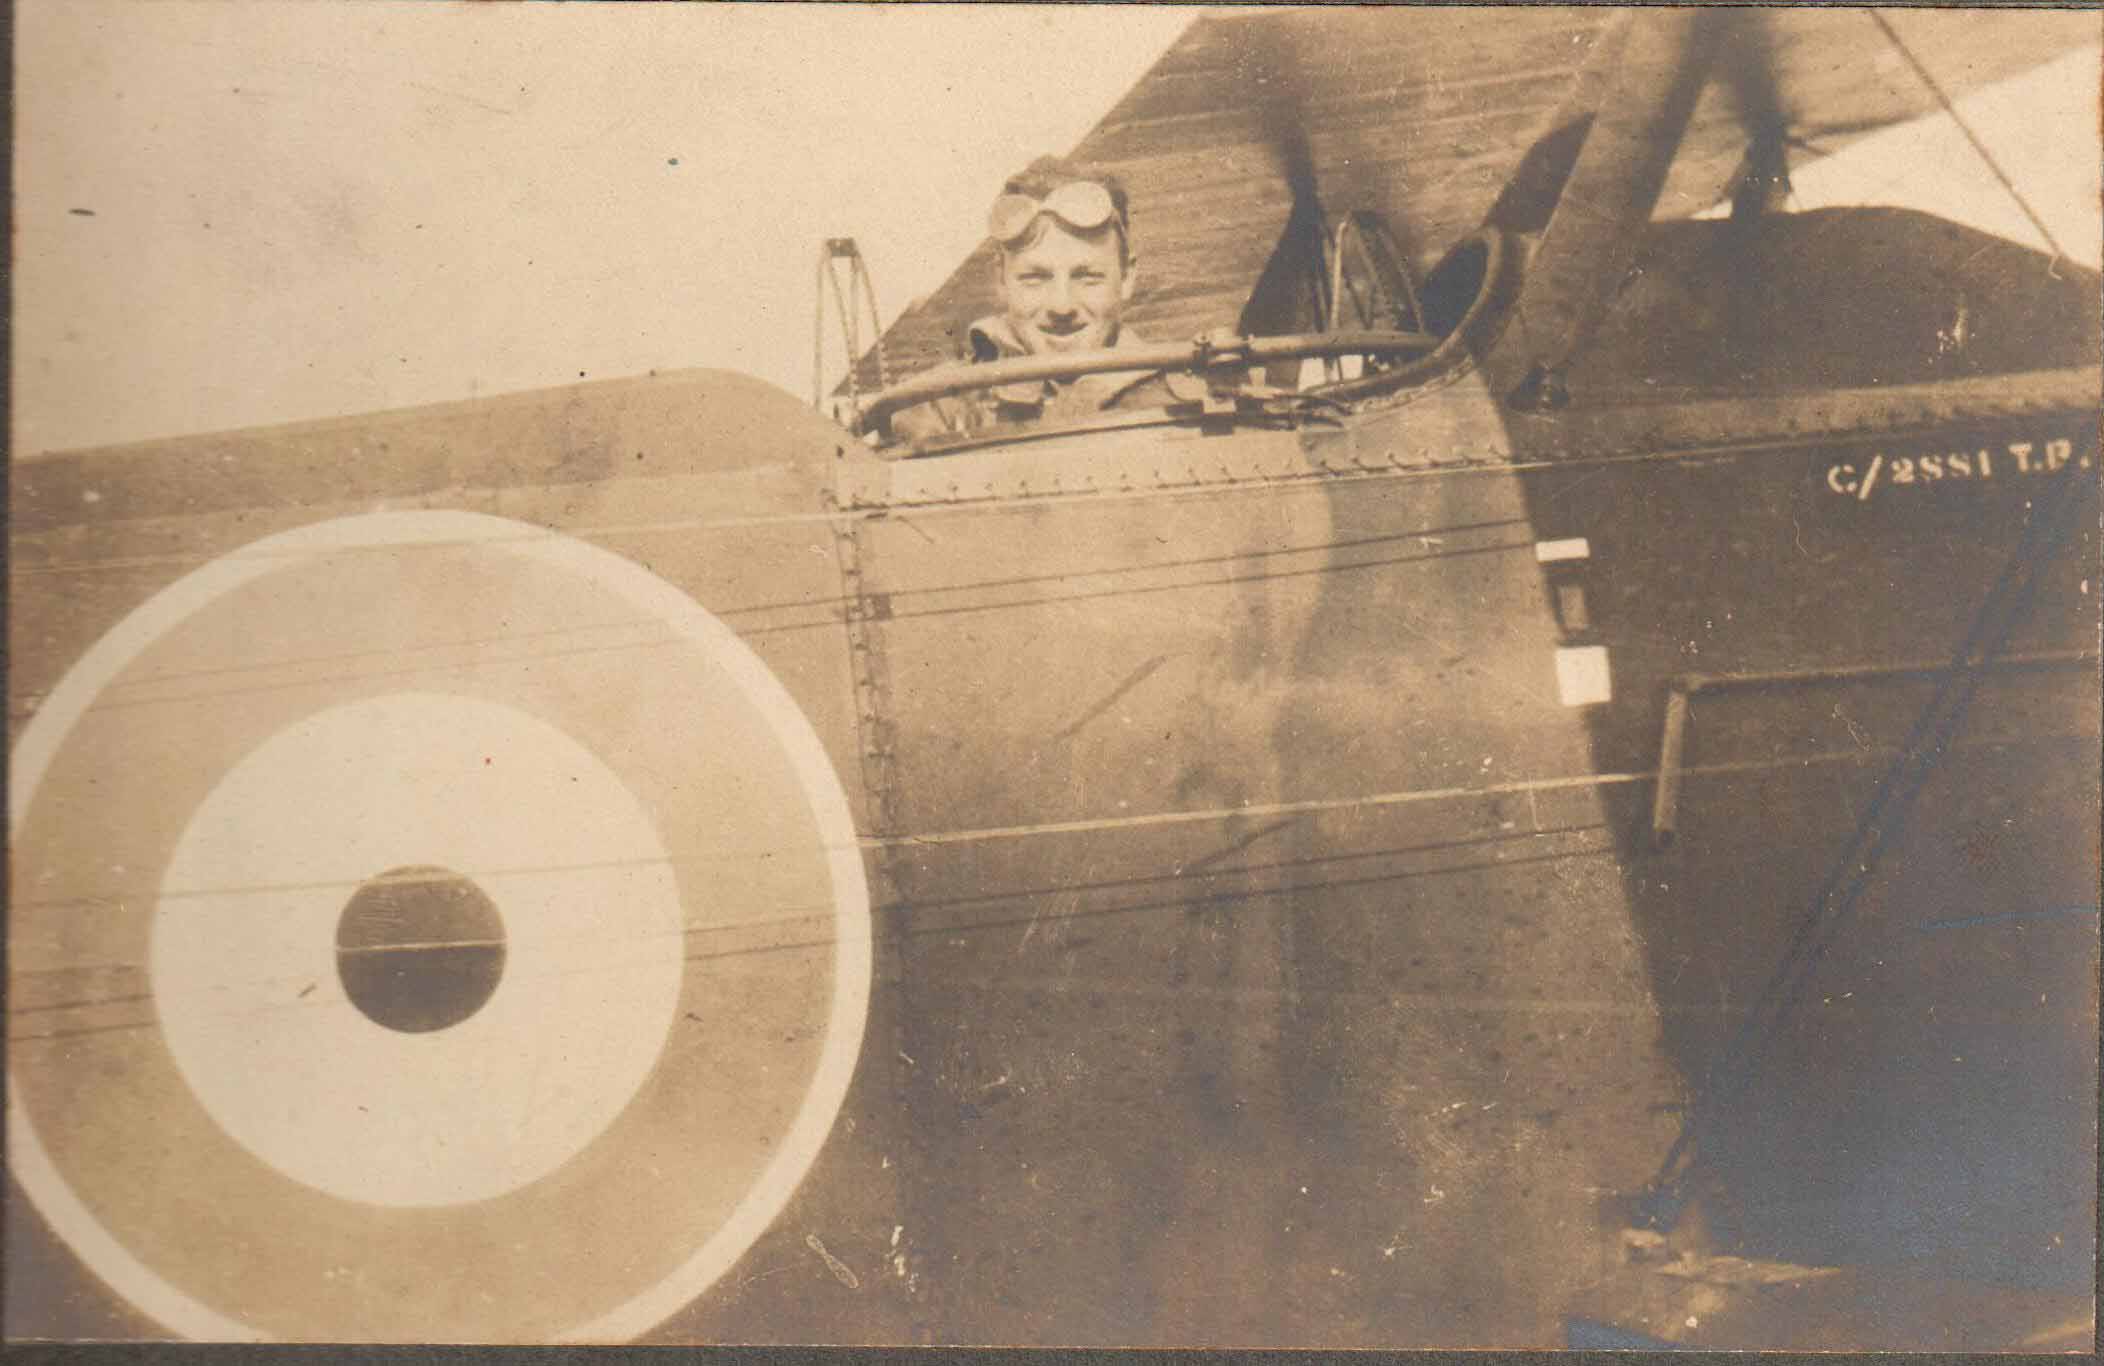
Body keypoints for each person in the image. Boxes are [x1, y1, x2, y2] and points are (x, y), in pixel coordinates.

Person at [888, 157, 1186, 442]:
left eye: (1087, 277)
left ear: (1127, 277)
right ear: (1001, 280)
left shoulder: (1184, 400)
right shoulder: (938, 410)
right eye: (1035, 278)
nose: (1061, 306)